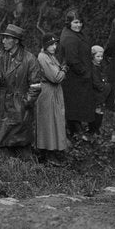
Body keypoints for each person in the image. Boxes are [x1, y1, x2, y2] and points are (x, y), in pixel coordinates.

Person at [0, 23, 42, 158]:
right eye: (3, 38)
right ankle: (2, 170)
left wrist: (25, 102)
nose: (3, 41)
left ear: (16, 40)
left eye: (7, 38)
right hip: (1, 105)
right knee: (0, 143)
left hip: (19, 107)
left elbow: (36, 86)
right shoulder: (0, 56)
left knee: (21, 146)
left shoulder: (30, 59)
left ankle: (25, 172)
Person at [58, 9, 92, 140]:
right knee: (74, 106)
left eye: (80, 22)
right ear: (69, 23)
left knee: (77, 105)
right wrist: (84, 72)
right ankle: (77, 132)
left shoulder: (76, 34)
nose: (79, 25)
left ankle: (75, 131)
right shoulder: (69, 37)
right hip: (74, 77)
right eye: (75, 22)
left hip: (79, 77)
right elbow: (72, 60)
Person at [35, 33, 68, 163]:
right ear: (45, 45)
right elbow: (56, 77)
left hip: (54, 92)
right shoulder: (43, 57)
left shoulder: (50, 56)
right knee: (48, 123)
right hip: (48, 92)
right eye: (52, 44)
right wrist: (64, 70)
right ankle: (47, 153)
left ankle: (52, 152)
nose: (55, 46)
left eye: (55, 44)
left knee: (55, 121)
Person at [88, 45, 111, 135]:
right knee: (96, 110)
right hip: (95, 93)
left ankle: (97, 129)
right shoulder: (92, 68)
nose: (100, 59)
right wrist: (103, 87)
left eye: (101, 56)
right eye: (98, 56)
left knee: (100, 110)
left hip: (100, 93)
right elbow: (95, 81)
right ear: (92, 56)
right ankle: (93, 129)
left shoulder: (99, 67)